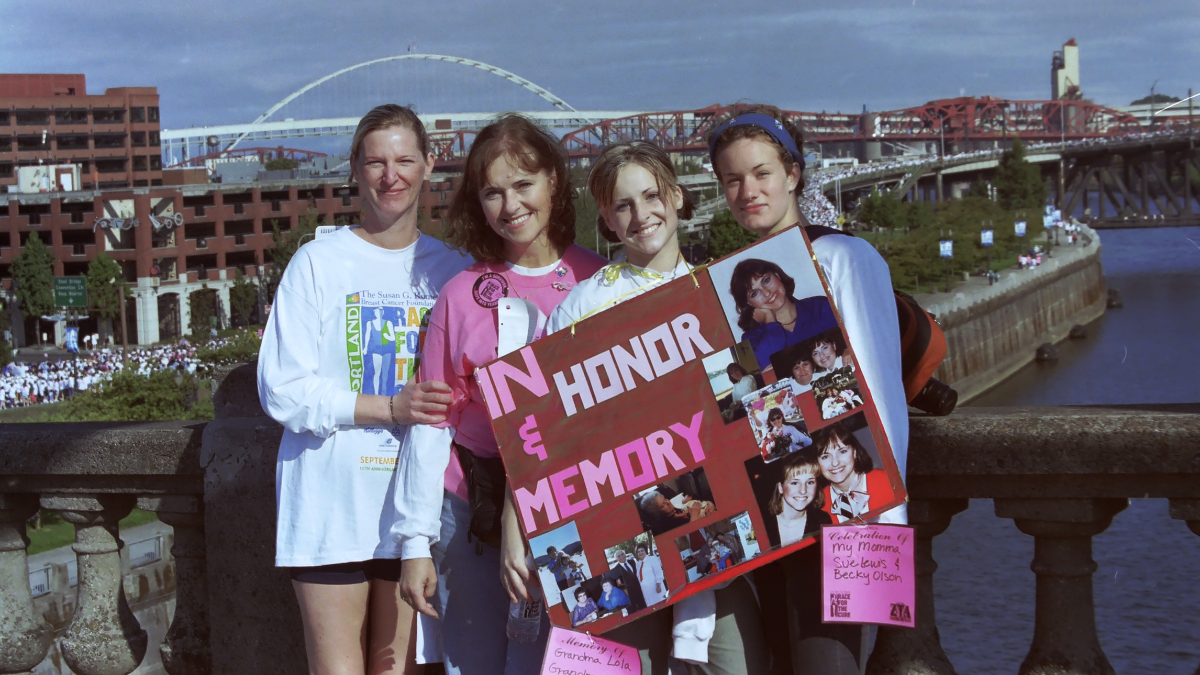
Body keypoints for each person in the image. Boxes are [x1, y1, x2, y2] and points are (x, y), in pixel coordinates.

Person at [257, 104, 470, 675]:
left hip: (416, 515)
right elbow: (282, 389)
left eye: (404, 160)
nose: (390, 175)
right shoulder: (316, 263)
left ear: (429, 165)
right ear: (354, 168)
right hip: (331, 508)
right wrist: (390, 407)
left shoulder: (454, 272)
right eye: (375, 161)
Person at [391, 114, 606, 675]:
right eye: (492, 192)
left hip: (578, 504)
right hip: (473, 515)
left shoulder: (602, 280)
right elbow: (432, 423)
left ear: (554, 182)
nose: (510, 206)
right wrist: (416, 543)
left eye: (523, 184)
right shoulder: (460, 296)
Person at [547, 141, 769, 675]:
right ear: (605, 217)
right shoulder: (582, 305)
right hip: (619, 528)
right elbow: (551, 432)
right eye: (623, 205)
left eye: (651, 196)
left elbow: (747, 404)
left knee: (734, 665)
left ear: (676, 195)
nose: (641, 214)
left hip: (718, 526)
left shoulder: (715, 291)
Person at [708, 105, 908, 675]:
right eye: (733, 179)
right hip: (777, 508)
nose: (748, 190)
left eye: (762, 173)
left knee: (828, 665)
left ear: (793, 174)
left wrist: (882, 520)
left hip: (843, 509)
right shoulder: (731, 288)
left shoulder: (844, 257)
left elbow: (879, 389)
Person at [729, 258, 838, 370]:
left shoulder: (822, 306)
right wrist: (770, 320)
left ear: (777, 276)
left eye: (766, 281)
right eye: (754, 293)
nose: (766, 293)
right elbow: (768, 375)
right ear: (749, 304)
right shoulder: (751, 339)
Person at [812, 422, 894, 524]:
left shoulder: (888, 481)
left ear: (854, 452)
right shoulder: (817, 504)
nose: (835, 462)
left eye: (842, 451)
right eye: (825, 456)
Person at [768, 453, 832, 547]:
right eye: (794, 483)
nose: (803, 490)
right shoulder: (762, 521)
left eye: (810, 482)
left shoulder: (822, 521)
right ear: (780, 487)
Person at [637, 490, 715, 535]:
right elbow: (694, 535)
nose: (668, 502)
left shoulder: (677, 506)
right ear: (657, 513)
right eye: (663, 505)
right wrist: (695, 516)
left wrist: (710, 504)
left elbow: (700, 499)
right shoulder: (669, 527)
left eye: (665, 499)